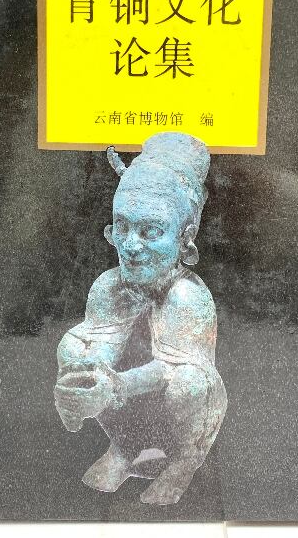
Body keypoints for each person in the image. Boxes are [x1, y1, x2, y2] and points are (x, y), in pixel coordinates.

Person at [54, 132, 227, 505]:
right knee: (72, 346)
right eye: (123, 226)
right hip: (131, 403)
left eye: (151, 231)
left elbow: (170, 371)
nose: (131, 245)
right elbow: (101, 345)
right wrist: (84, 376)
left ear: (185, 238)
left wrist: (115, 385)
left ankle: (184, 462)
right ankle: (124, 445)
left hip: (177, 411)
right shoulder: (110, 286)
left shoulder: (186, 296)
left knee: (190, 386)